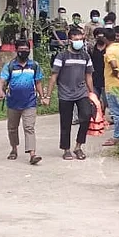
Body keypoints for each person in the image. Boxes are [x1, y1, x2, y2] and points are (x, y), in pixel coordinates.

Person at [44, 28, 94, 160]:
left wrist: (92, 93)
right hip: (65, 93)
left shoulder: (86, 56)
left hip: (81, 92)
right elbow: (54, 76)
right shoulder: (62, 56)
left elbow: (88, 75)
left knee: (86, 116)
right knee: (65, 122)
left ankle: (78, 146)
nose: (79, 42)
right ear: (70, 40)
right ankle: (66, 149)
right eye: (76, 39)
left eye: (81, 39)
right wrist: (47, 96)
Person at [0, 40, 44, 165]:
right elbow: (1, 81)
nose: (24, 51)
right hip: (13, 102)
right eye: (21, 49)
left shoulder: (34, 65)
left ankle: (32, 154)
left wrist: (43, 96)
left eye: (26, 49)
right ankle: (14, 149)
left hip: (30, 102)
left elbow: (38, 82)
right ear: (16, 50)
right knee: (12, 128)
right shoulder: (10, 66)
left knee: (29, 127)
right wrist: (0, 91)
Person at [103, 27, 119, 147]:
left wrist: (115, 74)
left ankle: (118, 136)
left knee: (116, 112)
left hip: (113, 85)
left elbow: (113, 64)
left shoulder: (110, 51)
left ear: (105, 38)